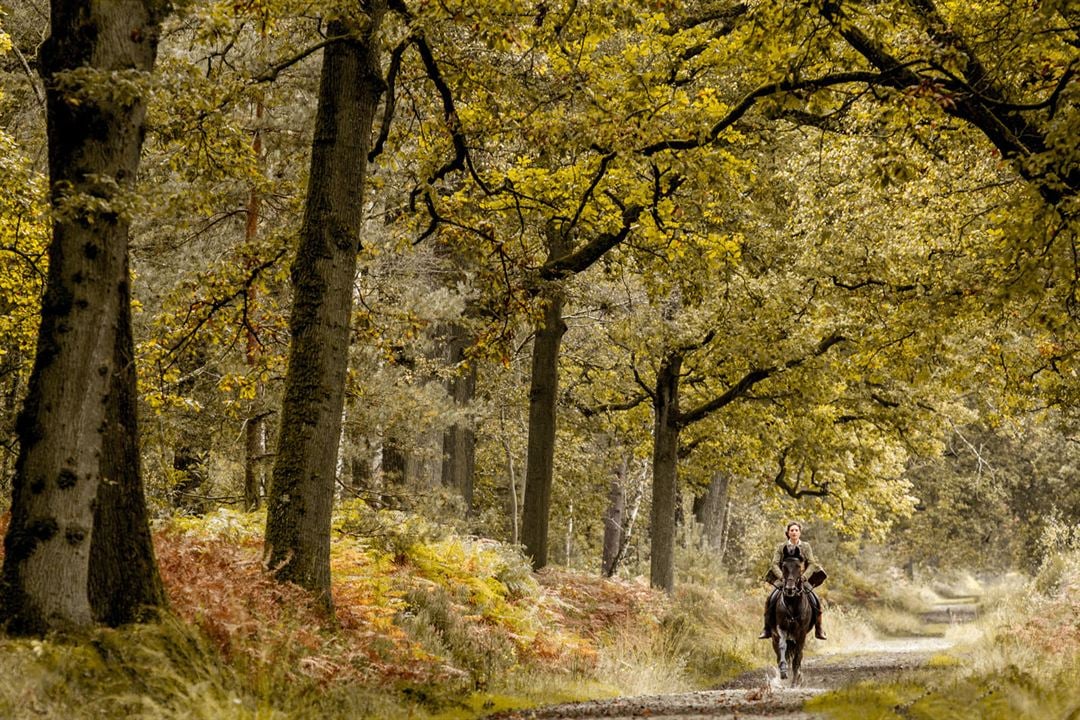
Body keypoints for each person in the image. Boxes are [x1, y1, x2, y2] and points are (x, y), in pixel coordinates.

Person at [758, 521, 827, 640]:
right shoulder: (781, 547)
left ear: (799, 532)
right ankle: (766, 628)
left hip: (801, 579)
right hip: (784, 578)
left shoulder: (806, 546)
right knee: (770, 598)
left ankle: (819, 628)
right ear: (788, 533)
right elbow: (774, 564)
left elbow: (811, 563)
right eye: (792, 530)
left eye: (796, 530)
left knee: (816, 599)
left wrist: (804, 577)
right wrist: (782, 577)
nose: (794, 532)